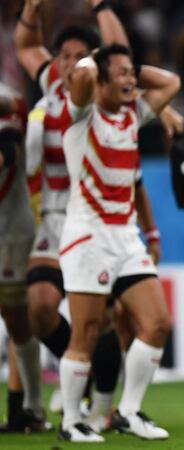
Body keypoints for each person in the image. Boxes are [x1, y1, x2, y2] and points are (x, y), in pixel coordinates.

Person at [15, 0, 131, 425]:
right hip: (51, 217)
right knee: (40, 308)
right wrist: (32, 8)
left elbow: (121, 50)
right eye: (61, 56)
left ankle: (104, 408)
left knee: (101, 320)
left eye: (75, 57)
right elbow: (27, 44)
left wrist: (100, 6)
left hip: (95, 217)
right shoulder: (51, 84)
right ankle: (76, 379)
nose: (64, 64)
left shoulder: (102, 93)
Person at [57, 44, 180, 442]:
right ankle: (71, 421)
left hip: (126, 237)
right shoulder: (80, 116)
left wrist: (128, 65)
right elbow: (82, 81)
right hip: (87, 237)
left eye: (132, 74)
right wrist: (96, 58)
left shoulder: (132, 115)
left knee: (158, 323)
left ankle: (127, 412)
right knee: (88, 331)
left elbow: (171, 82)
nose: (131, 80)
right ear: (101, 79)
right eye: (122, 74)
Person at [0, 81, 48, 432]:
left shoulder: (8, 100)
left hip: (10, 235)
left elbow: (10, 152)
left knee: (18, 322)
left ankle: (32, 405)